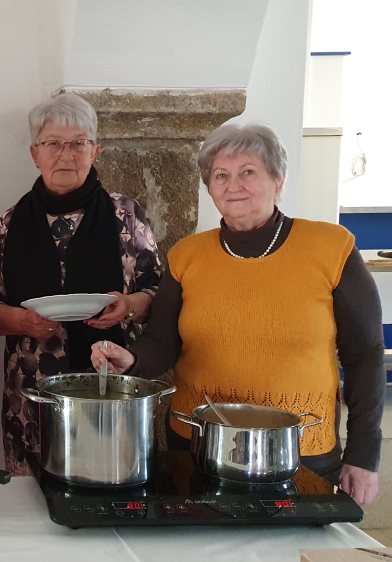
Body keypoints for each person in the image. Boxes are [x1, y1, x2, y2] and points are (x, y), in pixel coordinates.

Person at [91, 123, 384, 506]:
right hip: (198, 445)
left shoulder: (332, 248)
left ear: (278, 179)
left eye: (249, 171)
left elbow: (365, 356)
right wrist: (132, 360)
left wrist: (363, 455)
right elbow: (163, 341)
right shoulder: (188, 255)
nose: (234, 185)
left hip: (298, 451)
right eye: (221, 175)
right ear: (210, 188)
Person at [0, 93, 162, 476]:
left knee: (106, 488)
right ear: (35, 153)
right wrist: (21, 321)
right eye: (53, 144)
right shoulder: (9, 224)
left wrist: (127, 306)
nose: (66, 155)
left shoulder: (124, 215)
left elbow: (156, 292)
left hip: (107, 384)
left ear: (95, 151)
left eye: (79, 143)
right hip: (31, 394)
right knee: (32, 503)